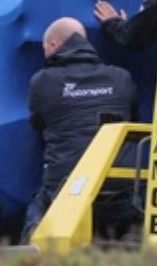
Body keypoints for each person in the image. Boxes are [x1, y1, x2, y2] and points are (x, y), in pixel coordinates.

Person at [24, 17, 138, 241]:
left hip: (69, 187)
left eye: (45, 48)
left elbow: (39, 127)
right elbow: (133, 122)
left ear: (54, 45)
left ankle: (31, 263)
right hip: (121, 188)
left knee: (36, 212)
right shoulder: (122, 77)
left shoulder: (43, 81)